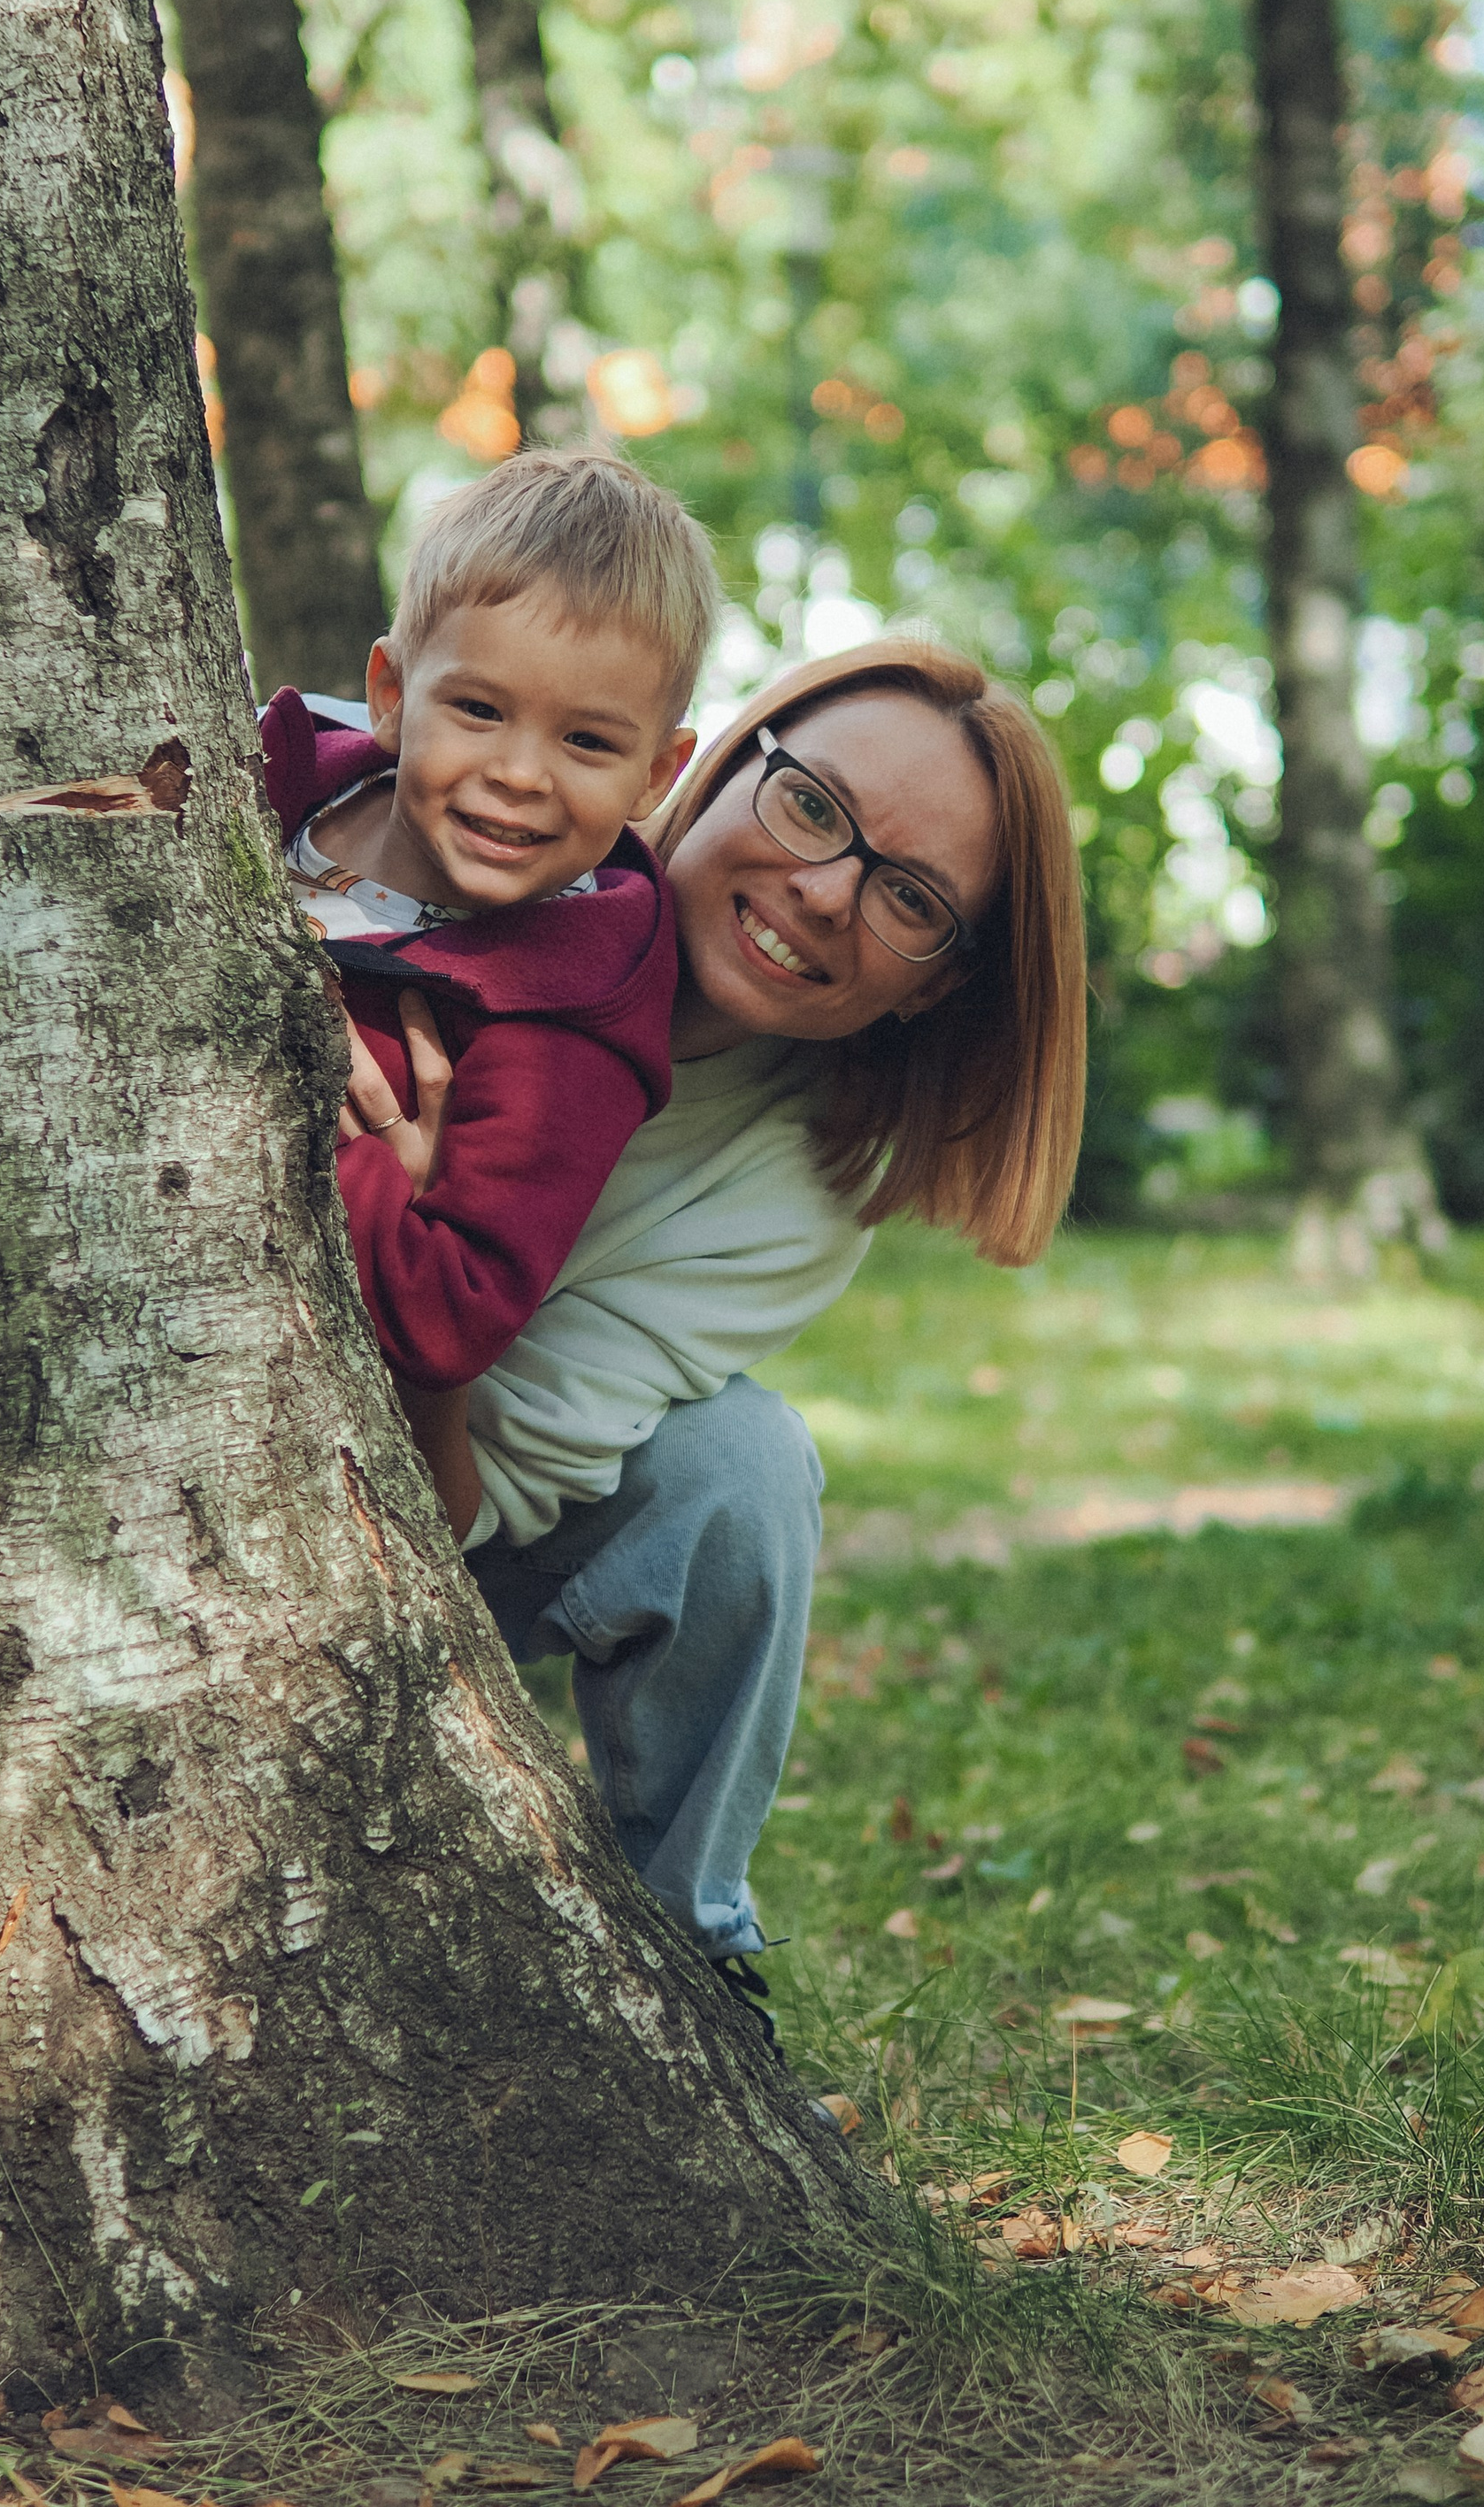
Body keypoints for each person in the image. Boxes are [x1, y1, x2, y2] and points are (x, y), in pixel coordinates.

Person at [340, 636, 1088, 2027]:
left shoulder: (798, 1192)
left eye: (911, 898)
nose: (823, 892)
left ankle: (682, 1956)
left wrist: (421, 1232)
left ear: (935, 981)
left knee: (742, 1465)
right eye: (812, 804)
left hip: (415, 1536)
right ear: (717, 763)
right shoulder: (479, 832)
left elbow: (459, 1509)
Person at [260, 451, 719, 1523]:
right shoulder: (263, 781)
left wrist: (348, 1160)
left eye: (588, 740)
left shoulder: (571, 1017)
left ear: (656, 773)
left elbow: (451, 1314)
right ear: (390, 693)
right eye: (477, 707)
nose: (519, 771)